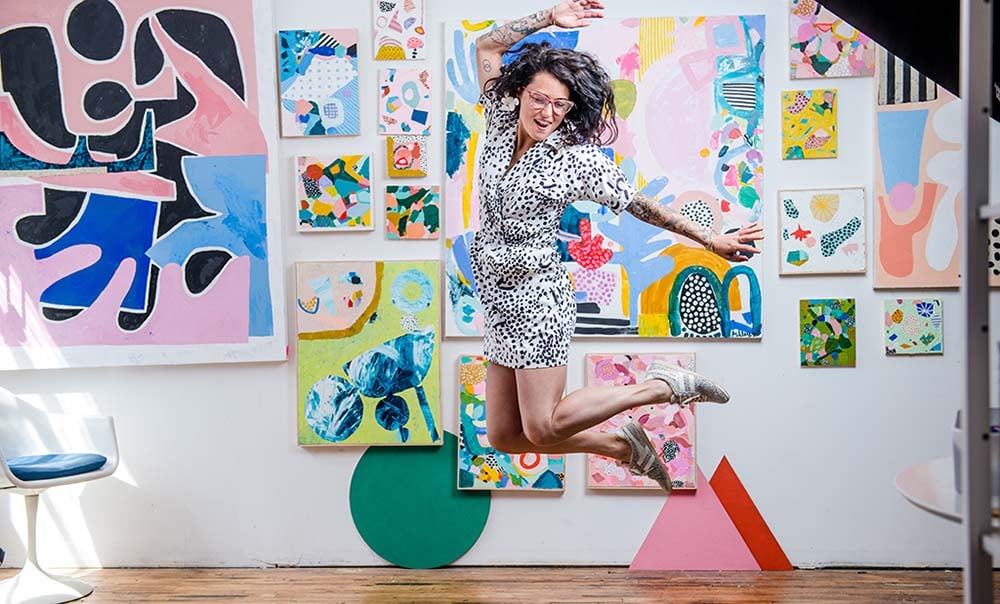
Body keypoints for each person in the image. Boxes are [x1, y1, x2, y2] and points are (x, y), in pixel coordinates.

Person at [468, 0, 764, 492]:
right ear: (520, 91)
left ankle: (660, 386)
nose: (548, 113)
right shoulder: (499, 119)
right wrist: (549, 17)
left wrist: (709, 239)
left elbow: (638, 204)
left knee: (543, 426)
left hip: (537, 298)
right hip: (497, 298)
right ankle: (624, 448)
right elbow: (487, 45)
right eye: (540, 99)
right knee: (504, 435)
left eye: (561, 106)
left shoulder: (576, 159)